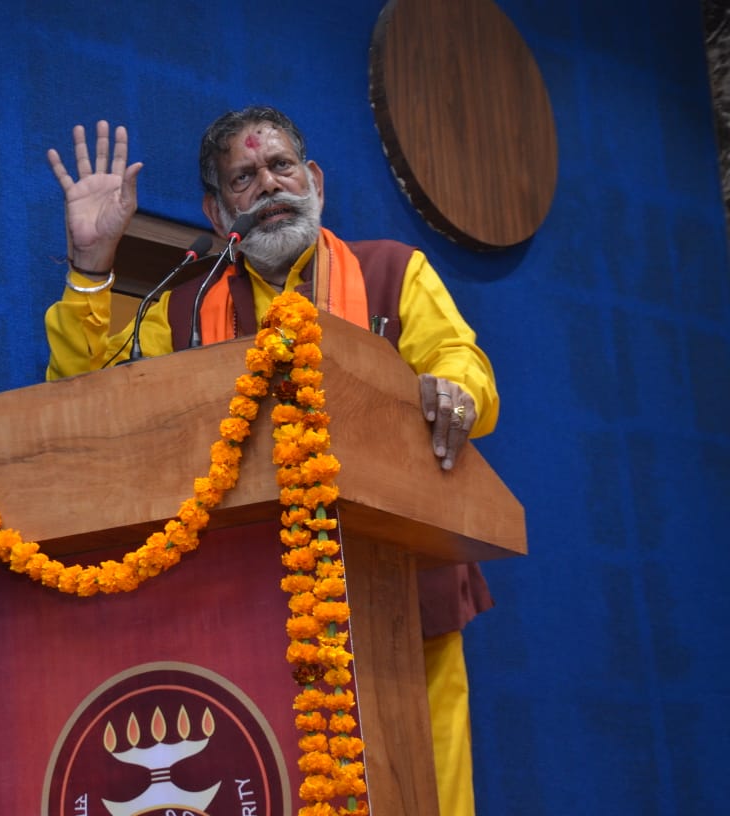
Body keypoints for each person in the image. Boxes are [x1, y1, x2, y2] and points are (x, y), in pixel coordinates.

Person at [43, 106, 498, 816]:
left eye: (282, 166)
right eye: (244, 177)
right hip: (248, 606)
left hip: (402, 597)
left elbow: (458, 362)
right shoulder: (183, 306)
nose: (269, 185)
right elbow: (91, 407)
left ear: (313, 179)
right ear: (217, 210)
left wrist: (455, 391)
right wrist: (91, 265)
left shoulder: (392, 272)